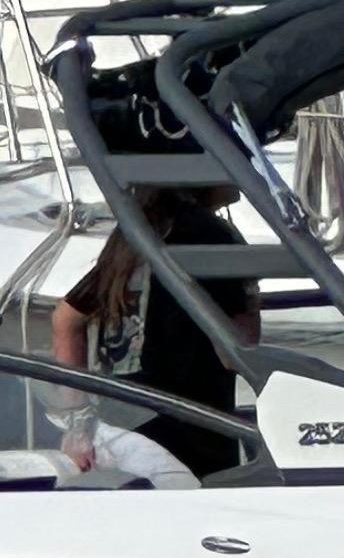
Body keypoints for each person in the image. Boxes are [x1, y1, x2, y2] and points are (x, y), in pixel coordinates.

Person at [49, 186, 260, 478]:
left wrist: (77, 421)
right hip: (188, 437)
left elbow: (65, 319)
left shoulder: (136, 231)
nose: (247, 169)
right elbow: (234, 352)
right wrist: (251, 299)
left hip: (119, 431)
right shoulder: (213, 237)